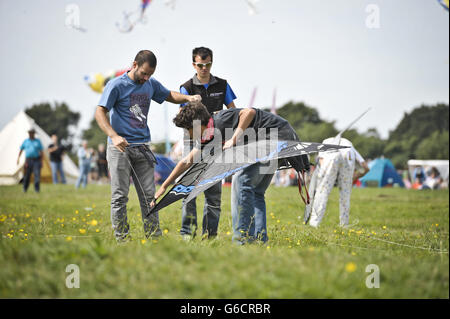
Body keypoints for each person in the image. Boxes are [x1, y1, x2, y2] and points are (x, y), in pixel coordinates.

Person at [153, 101, 310, 245]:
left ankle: (242, 240)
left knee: (241, 181)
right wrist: (165, 185)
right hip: (281, 139)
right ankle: (260, 239)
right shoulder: (206, 136)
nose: (189, 133)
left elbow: (248, 112)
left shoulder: (220, 119)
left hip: (275, 138)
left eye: (189, 129)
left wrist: (234, 139)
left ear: (197, 123)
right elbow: (187, 161)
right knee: (256, 192)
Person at [94, 50, 201, 242]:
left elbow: (168, 95)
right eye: (144, 73)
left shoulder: (150, 83)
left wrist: (188, 98)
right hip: (120, 148)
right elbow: (100, 112)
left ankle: (154, 239)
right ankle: (122, 240)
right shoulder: (116, 85)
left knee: (149, 196)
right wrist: (114, 135)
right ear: (134, 64)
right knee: (119, 197)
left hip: (142, 146)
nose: (146, 78)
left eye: (150, 74)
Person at [178, 47, 237, 239]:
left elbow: (233, 111)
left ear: (212, 63)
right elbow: (184, 118)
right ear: (194, 64)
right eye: (200, 65)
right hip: (192, 143)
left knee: (213, 192)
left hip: (216, 144)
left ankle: (210, 236)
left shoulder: (223, 85)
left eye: (208, 64)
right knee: (190, 189)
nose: (204, 68)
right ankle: (188, 233)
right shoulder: (186, 88)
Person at [308, 137, 369, 228]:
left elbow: (322, 161)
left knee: (323, 191)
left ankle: (314, 223)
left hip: (330, 155)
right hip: (348, 155)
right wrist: (355, 177)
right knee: (345, 195)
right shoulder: (350, 145)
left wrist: (323, 176)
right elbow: (366, 167)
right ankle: (344, 224)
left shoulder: (325, 142)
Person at [17, 128, 44, 193]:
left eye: (32, 133)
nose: (30, 134)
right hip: (28, 161)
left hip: (36, 160)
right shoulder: (26, 141)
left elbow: (41, 152)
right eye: (29, 133)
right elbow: (21, 150)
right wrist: (18, 158)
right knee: (27, 176)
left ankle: (37, 190)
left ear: (34, 134)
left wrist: (41, 161)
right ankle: (25, 189)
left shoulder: (38, 141)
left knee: (37, 175)